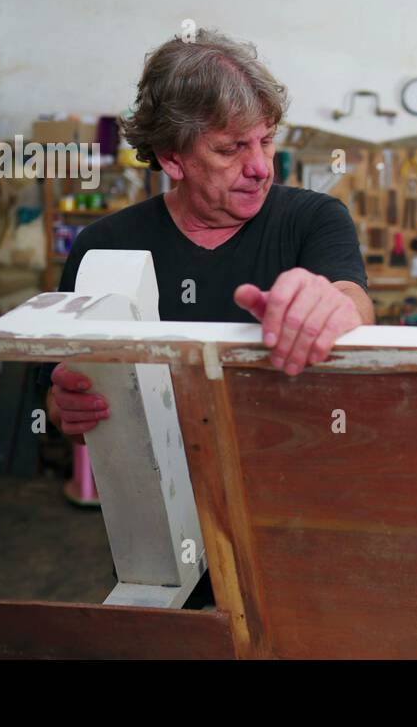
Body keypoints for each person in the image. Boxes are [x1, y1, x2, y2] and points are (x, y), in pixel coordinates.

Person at [47, 29, 373, 440]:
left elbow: (353, 302)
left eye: (266, 141)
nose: (260, 167)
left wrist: (335, 309)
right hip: (157, 490)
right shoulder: (102, 246)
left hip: (293, 472)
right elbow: (60, 403)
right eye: (231, 148)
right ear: (172, 158)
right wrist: (69, 411)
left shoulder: (314, 218)